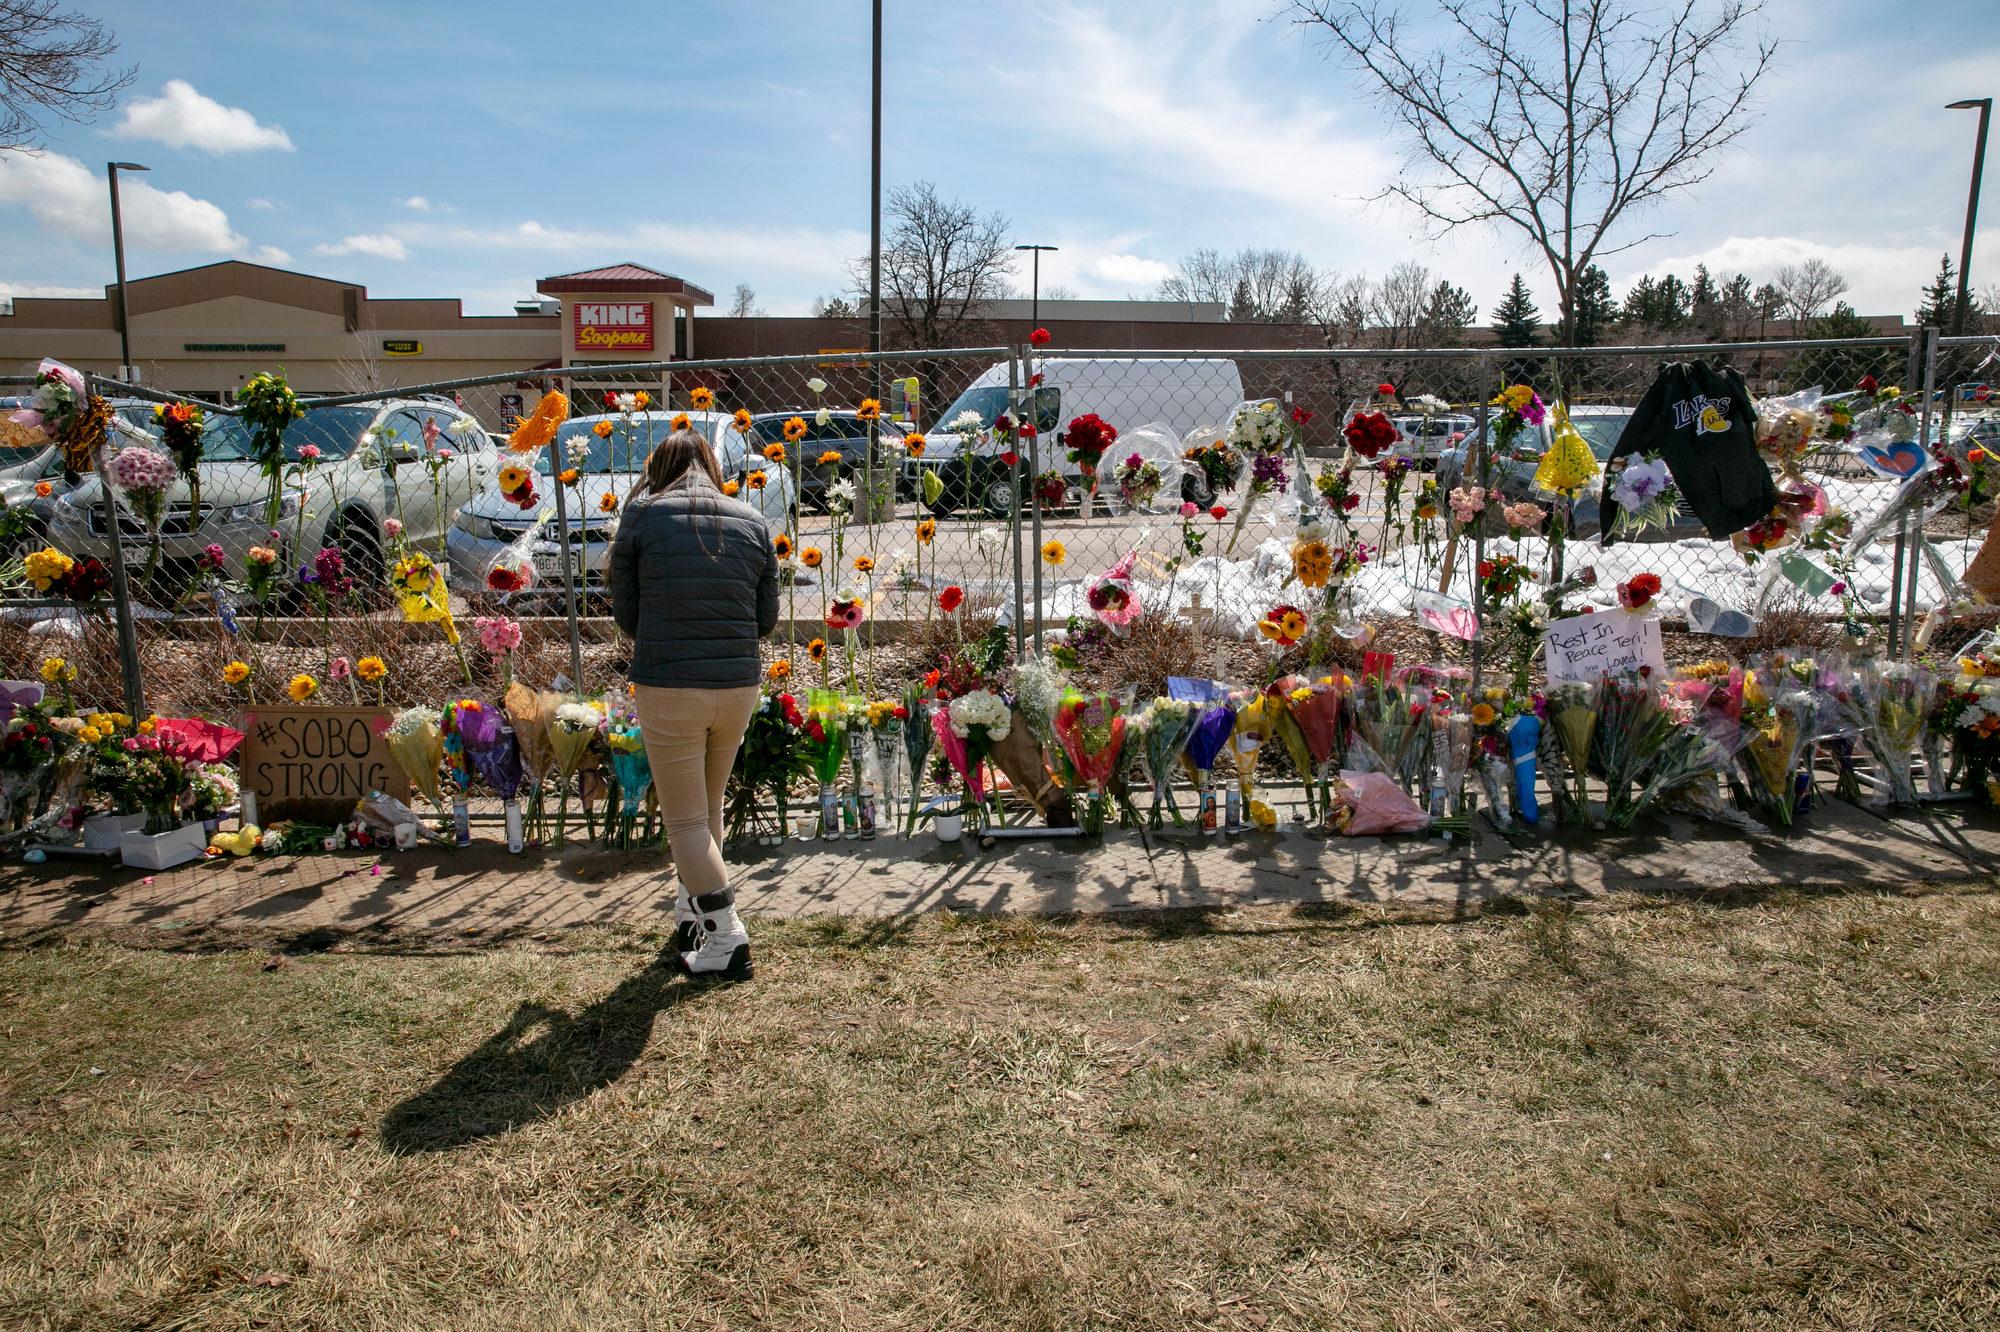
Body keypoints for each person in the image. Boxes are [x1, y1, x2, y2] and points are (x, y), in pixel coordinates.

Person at [610, 427, 778, 979]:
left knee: (683, 822)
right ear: (711, 465)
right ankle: (693, 920)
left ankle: (726, 934)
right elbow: (766, 621)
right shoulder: (752, 521)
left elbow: (628, 618)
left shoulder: (640, 517)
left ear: (657, 470)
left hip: (670, 685)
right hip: (737, 686)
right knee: (704, 813)